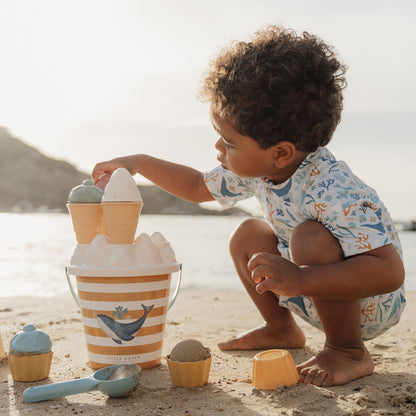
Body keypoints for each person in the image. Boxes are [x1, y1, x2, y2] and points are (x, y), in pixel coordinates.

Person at [92, 26, 406, 387]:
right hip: (310, 288)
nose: (218, 149)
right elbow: (197, 187)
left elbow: (390, 272)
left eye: (229, 142)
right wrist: (140, 163)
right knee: (248, 234)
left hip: (367, 301)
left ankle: (348, 350)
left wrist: (301, 278)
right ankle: (281, 329)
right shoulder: (260, 170)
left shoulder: (331, 187)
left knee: (308, 237)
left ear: (281, 152)